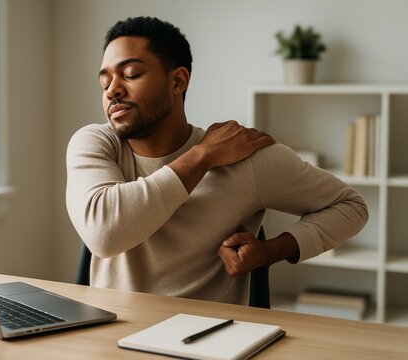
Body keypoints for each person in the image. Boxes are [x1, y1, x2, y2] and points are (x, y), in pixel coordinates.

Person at [65, 16, 368, 304]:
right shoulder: (95, 143)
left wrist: (271, 251)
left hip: (207, 340)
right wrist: (203, 156)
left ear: (178, 81)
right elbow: (104, 235)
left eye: (131, 74)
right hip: (111, 338)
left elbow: (350, 206)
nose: (113, 91)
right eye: (105, 83)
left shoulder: (245, 160)